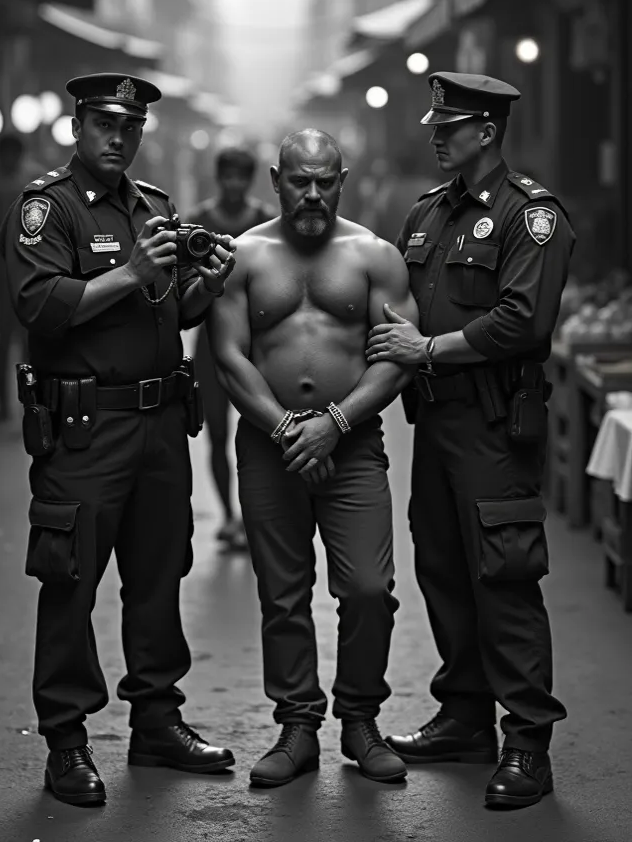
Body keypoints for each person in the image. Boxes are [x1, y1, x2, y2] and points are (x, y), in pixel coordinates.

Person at [0, 73, 237, 807]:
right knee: (71, 579)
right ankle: (66, 741)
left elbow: (168, 309)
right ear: (77, 126)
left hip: (160, 422)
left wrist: (206, 289)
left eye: (130, 127)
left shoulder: (155, 207)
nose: (119, 136)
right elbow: (40, 305)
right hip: (84, 428)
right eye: (105, 123)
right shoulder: (49, 208)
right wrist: (130, 272)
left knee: (159, 572)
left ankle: (157, 721)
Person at [365, 72, 575, 809]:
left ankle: (525, 742)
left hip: (492, 423)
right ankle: (463, 716)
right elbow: (389, 299)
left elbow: (523, 321)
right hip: (436, 423)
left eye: (448, 125)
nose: (434, 133)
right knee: (444, 567)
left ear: (485, 132)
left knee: (503, 575)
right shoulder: (427, 214)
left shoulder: (530, 217)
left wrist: (428, 350)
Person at [208, 128, 417, 788]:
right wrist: (287, 432)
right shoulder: (243, 256)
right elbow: (228, 355)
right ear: (275, 179)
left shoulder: (374, 255)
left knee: (366, 591)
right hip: (270, 449)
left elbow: (395, 357)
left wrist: (332, 423)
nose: (312, 193)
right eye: (299, 179)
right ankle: (297, 726)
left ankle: (358, 720)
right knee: (282, 594)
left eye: (325, 180)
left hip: (350, 445)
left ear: (342, 180)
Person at [187, 148, 275, 549]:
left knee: (261, 428)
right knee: (217, 432)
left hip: (257, 342)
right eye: (229, 177)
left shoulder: (265, 221)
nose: (235, 185)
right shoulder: (199, 223)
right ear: (219, 178)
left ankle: (257, 515)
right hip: (210, 340)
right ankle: (227, 515)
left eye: (242, 177)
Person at [0, 133, 38, 421]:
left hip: (27, 268)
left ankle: (31, 400)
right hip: (3, 271)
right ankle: (3, 405)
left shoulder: (32, 180)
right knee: (3, 342)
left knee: (30, 342)